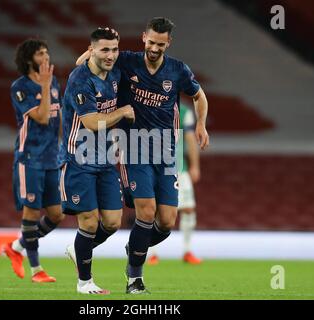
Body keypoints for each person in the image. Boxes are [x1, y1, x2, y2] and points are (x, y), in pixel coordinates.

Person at [78, 17, 209, 293]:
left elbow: (199, 96)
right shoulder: (127, 60)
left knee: (166, 221)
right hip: (133, 145)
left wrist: (200, 124)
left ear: (168, 43)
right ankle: (134, 278)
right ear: (143, 38)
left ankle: (134, 246)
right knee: (146, 212)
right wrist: (86, 59)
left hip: (166, 150)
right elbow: (87, 64)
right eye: (151, 42)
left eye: (160, 44)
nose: (154, 48)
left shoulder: (177, 70)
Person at [60, 28, 135, 294]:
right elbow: (91, 122)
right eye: (104, 49)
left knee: (113, 222)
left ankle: (78, 248)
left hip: (105, 160)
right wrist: (123, 111)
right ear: (91, 49)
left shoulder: (114, 70)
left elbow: (94, 58)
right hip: (78, 159)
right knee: (89, 222)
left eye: (114, 49)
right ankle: (84, 282)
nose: (111, 55)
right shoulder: (80, 79)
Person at [4, 39, 65, 283]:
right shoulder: (20, 87)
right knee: (31, 211)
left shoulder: (54, 83)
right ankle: (36, 270)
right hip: (29, 157)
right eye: (41, 53)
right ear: (30, 59)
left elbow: (56, 117)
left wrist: (63, 147)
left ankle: (16, 247)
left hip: (51, 157)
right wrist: (45, 84)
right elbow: (40, 117)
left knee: (57, 215)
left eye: (47, 52)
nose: (46, 56)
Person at [147, 103, 202, 265]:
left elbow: (190, 139)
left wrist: (194, 166)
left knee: (188, 208)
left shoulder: (184, 111)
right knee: (153, 209)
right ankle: (151, 252)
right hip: (156, 165)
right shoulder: (150, 106)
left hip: (179, 167)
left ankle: (187, 250)